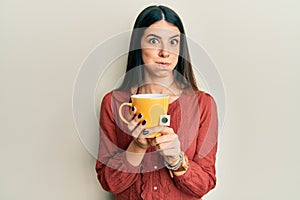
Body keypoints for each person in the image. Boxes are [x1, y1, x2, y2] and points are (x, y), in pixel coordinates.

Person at [96, 5, 218, 200]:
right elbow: (108, 183)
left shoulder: (203, 105)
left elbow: (205, 184)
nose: (165, 52)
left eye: (173, 42)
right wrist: (137, 146)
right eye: (154, 41)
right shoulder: (113, 103)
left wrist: (177, 160)